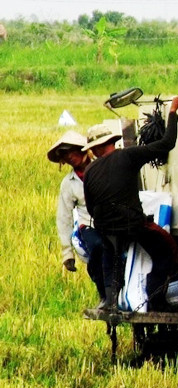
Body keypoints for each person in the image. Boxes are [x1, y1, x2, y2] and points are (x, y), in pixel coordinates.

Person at [83, 96, 178, 310]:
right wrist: (173, 110)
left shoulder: (90, 170)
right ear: (112, 142)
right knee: (166, 247)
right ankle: (155, 297)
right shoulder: (127, 156)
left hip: (106, 227)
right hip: (132, 224)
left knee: (110, 253)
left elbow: (90, 207)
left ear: (96, 149)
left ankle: (109, 300)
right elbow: (167, 143)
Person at [47, 130, 104, 303]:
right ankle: (104, 295)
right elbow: (64, 218)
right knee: (97, 246)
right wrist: (67, 253)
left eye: (72, 151)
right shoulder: (69, 183)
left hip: (111, 222)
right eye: (65, 154)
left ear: (83, 150)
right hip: (89, 226)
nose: (70, 157)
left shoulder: (103, 168)